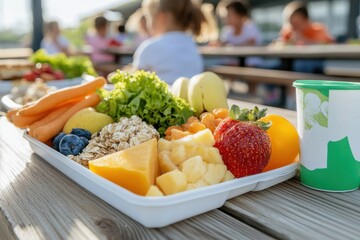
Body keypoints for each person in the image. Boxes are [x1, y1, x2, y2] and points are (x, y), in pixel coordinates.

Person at [132, 0, 206, 84]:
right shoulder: (191, 44)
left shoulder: (150, 47)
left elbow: (135, 80)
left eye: (149, 17)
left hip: (162, 96)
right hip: (191, 96)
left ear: (161, 18)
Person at [216, 0, 263, 67]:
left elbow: (251, 43)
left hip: (252, 67)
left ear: (240, 15)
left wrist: (229, 45)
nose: (226, 18)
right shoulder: (227, 30)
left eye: (229, 15)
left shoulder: (250, 27)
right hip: (233, 67)